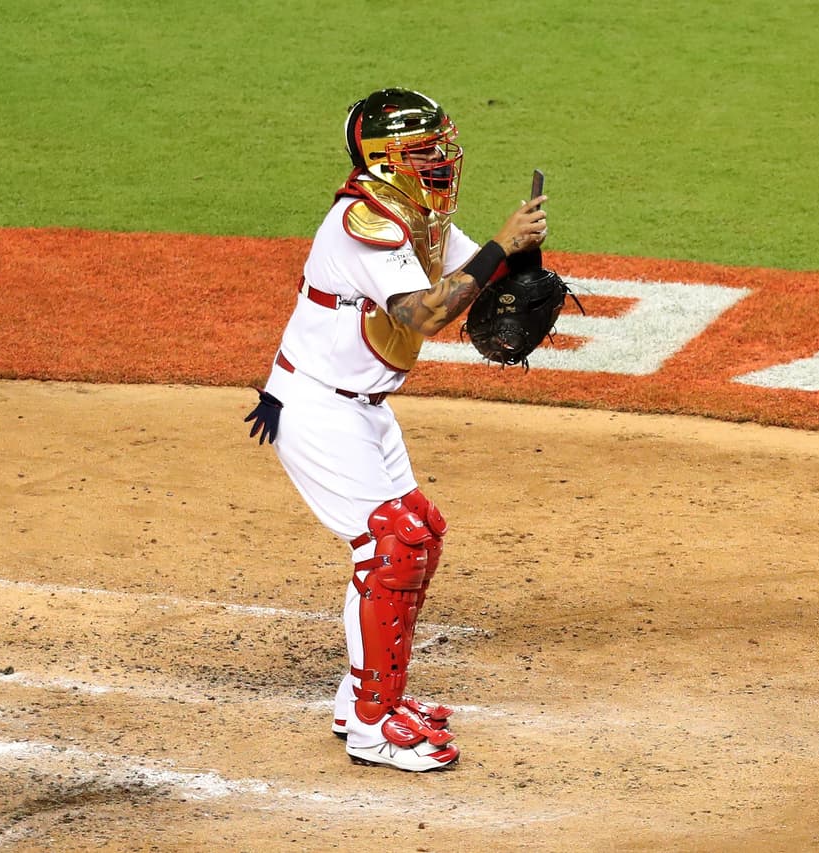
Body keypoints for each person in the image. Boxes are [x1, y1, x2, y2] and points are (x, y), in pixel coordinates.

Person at [243, 87, 548, 772]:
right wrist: (502, 241)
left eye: (443, 147)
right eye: (425, 150)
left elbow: (477, 274)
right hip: (316, 405)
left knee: (421, 530)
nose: (442, 160)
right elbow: (425, 314)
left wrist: (520, 262)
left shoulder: (418, 218)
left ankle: (363, 698)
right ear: (388, 158)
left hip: (365, 406)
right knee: (391, 546)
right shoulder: (365, 223)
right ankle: (374, 726)